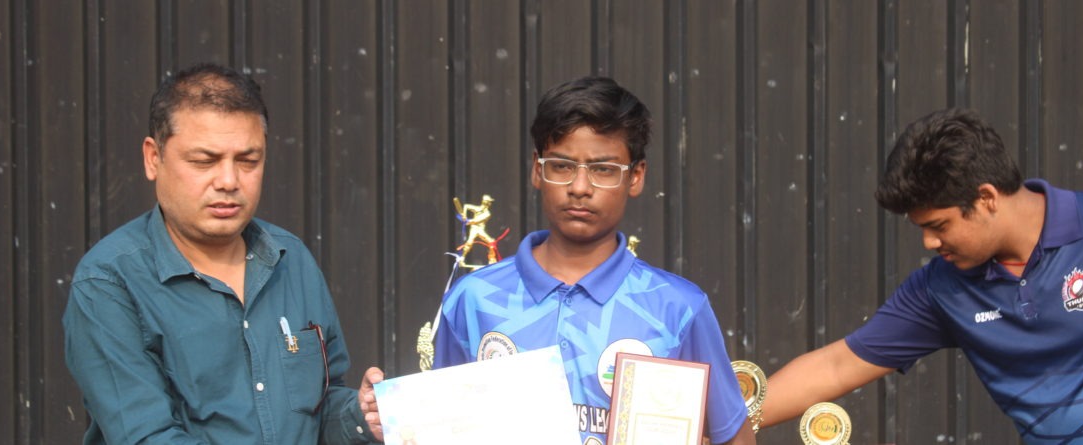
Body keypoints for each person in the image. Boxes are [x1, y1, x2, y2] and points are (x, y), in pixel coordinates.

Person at [759, 108, 1083, 443]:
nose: (929, 241)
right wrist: (721, 426)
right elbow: (836, 366)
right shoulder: (941, 288)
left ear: (986, 198)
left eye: (939, 225)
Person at [62, 62, 385, 444]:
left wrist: (362, 416)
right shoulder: (108, 283)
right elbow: (147, 437)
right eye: (204, 161)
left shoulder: (290, 259)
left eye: (248, 161)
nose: (229, 181)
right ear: (153, 158)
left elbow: (319, 408)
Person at [430, 76, 756, 445]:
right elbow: (440, 432)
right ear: (537, 169)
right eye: (562, 165)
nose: (580, 187)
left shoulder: (677, 308)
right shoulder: (473, 300)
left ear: (635, 177)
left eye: (603, 169)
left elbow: (735, 439)